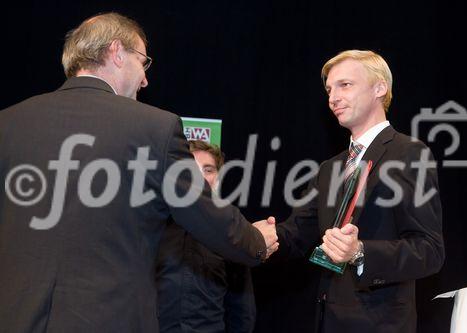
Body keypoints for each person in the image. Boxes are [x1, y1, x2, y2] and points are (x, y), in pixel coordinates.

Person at [0, 13, 277, 332]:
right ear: (117, 52)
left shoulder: (8, 124)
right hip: (109, 320)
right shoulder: (155, 128)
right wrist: (257, 240)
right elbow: (205, 215)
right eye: (143, 62)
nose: (145, 80)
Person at [262, 50, 445, 332]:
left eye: (344, 85)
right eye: (329, 89)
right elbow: (296, 233)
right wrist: (256, 236)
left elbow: (429, 251)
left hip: (379, 324)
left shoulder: (408, 154)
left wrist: (360, 252)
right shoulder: (329, 169)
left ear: (379, 88)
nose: (333, 97)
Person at [156, 140, 256, 333]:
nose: (200, 177)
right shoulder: (153, 225)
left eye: (208, 170)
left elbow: (242, 310)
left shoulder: (231, 232)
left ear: (218, 177)